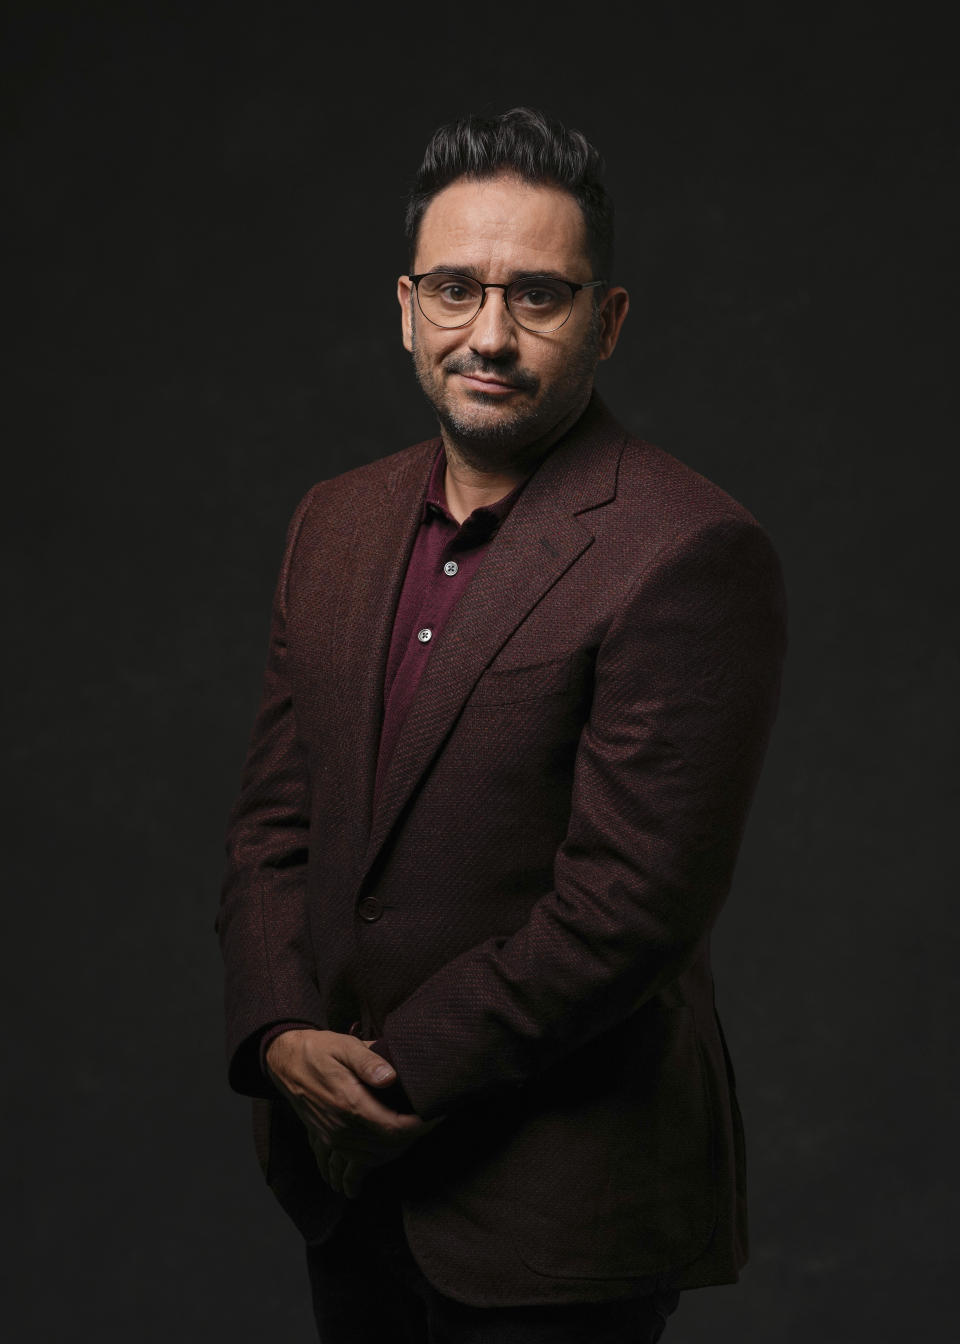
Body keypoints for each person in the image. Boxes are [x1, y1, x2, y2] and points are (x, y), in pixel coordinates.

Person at [217, 107, 787, 1343]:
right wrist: (277, 1032)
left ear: (607, 320)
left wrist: (387, 1070)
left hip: (559, 1207)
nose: (491, 335)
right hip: (345, 1183)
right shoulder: (333, 522)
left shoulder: (687, 550)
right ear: (407, 305)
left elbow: (631, 902)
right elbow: (274, 820)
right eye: (457, 290)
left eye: (538, 296)